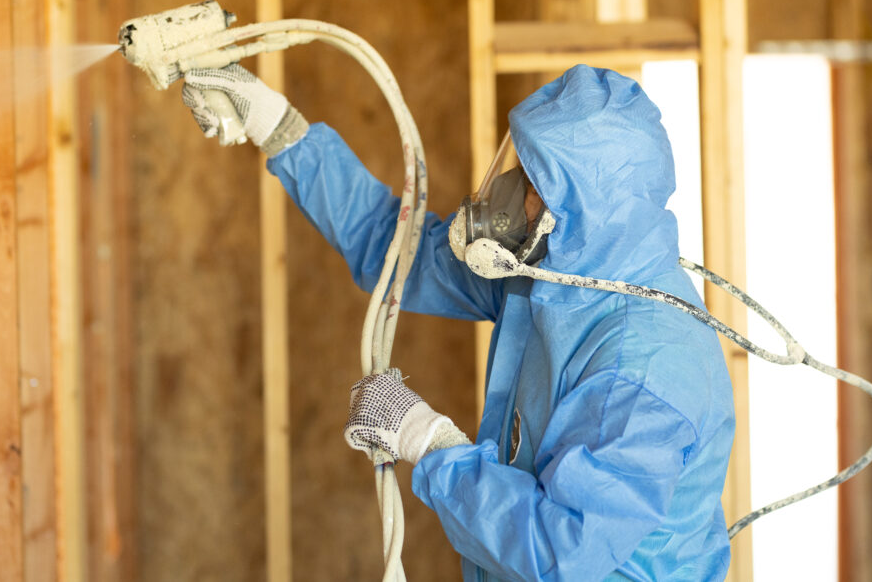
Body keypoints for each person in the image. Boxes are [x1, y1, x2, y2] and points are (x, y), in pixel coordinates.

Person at [182, 63, 736, 581]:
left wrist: (426, 440)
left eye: (534, 181)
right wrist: (277, 127)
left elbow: (562, 553)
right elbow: (399, 252)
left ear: (580, 207)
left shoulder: (641, 374)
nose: (509, 188)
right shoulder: (556, 275)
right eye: (520, 163)